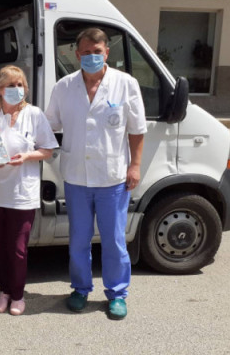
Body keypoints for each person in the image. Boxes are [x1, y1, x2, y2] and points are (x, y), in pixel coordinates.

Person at [45, 27, 146, 320]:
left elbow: (137, 129)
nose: (91, 57)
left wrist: (135, 166)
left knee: (114, 239)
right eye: (86, 52)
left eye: (97, 52)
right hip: (76, 177)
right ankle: (80, 289)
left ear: (107, 53)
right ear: (77, 55)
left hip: (112, 177)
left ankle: (117, 293)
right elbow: (48, 124)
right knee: (79, 239)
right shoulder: (64, 87)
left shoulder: (125, 84)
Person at [0, 66, 58, 316]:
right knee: (0, 245)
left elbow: (48, 150)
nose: (16, 89)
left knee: (18, 248)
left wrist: (27, 156)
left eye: (20, 84)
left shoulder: (34, 114)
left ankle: (18, 295)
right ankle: (3, 291)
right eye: (10, 85)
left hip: (22, 193)